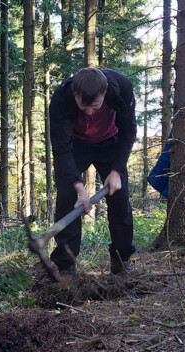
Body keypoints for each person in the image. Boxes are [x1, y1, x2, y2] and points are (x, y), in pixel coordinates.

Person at [49, 68, 137, 275]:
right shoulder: (61, 97)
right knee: (67, 197)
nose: (89, 112)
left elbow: (129, 130)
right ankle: (66, 265)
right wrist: (79, 188)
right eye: (83, 106)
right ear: (75, 94)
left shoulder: (121, 88)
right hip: (75, 145)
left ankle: (121, 259)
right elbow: (61, 149)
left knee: (120, 199)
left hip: (111, 143)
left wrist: (117, 169)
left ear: (104, 94)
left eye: (95, 107)